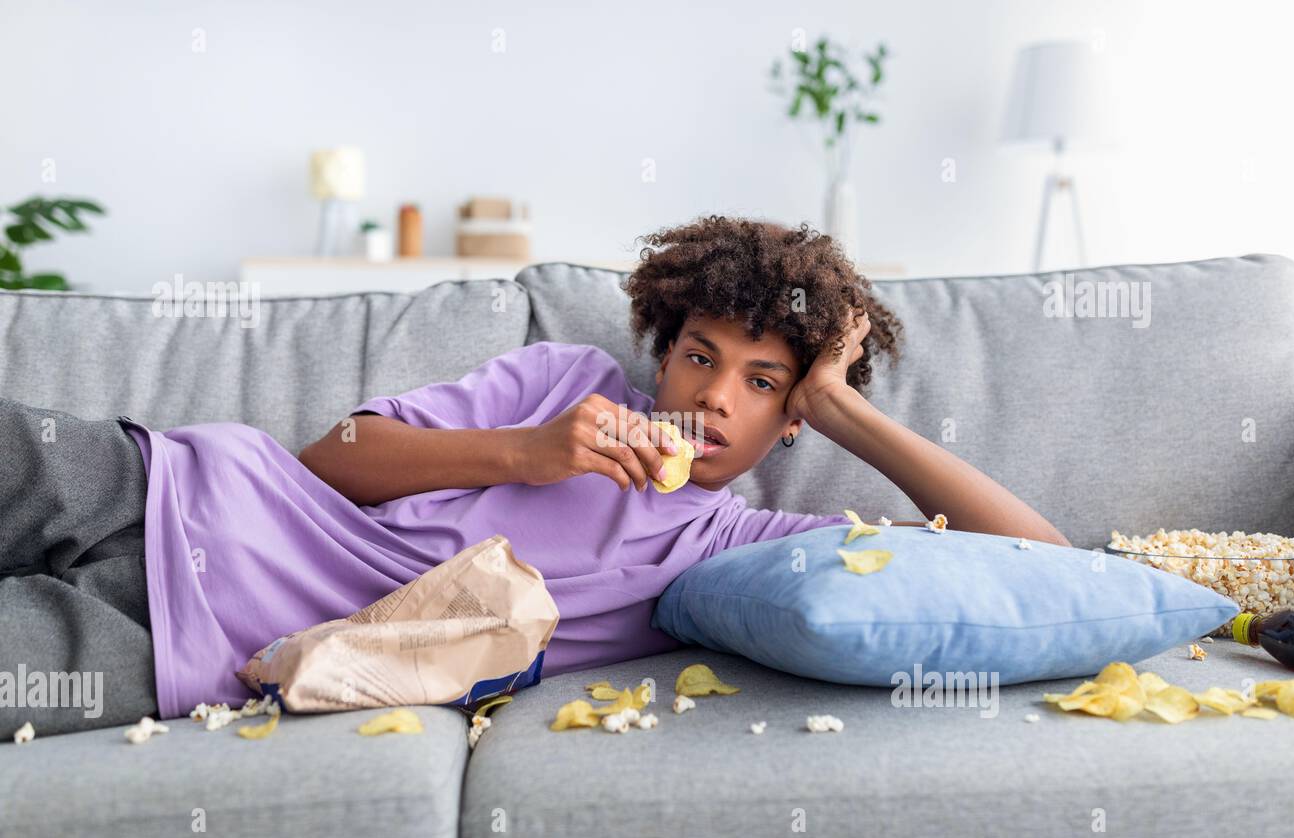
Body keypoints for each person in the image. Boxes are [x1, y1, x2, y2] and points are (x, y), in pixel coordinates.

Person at [0, 215, 1069, 741]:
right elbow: (328, 459)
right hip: (155, 483)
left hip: (182, 643)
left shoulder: (735, 549)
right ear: (663, 349)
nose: (715, 395)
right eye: (700, 354)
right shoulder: (566, 381)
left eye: (763, 381)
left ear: (789, 415)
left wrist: (841, 407)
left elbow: (1044, 568)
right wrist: (530, 448)